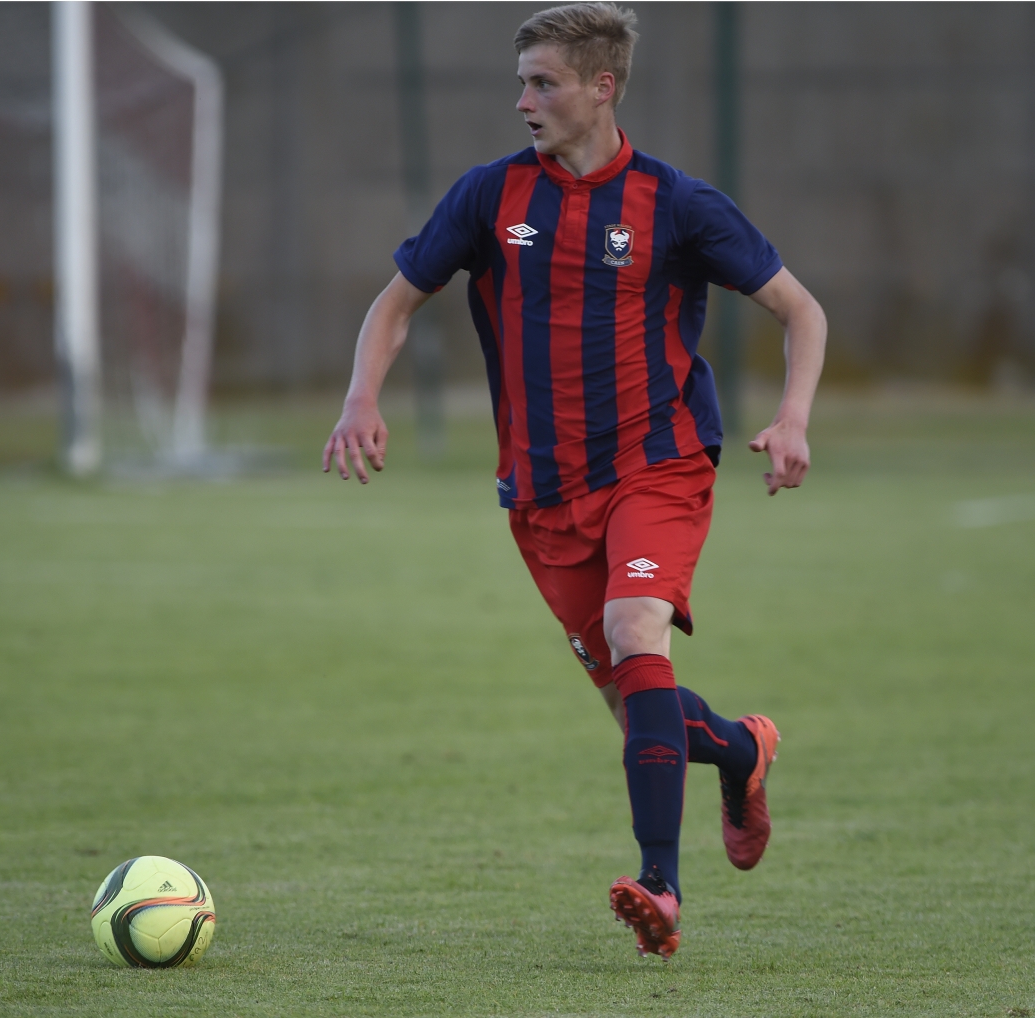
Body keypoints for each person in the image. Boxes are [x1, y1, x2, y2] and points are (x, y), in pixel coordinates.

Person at [323, 2, 825, 960]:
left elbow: (802, 311)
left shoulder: (675, 203)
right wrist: (361, 398)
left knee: (637, 633)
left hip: (657, 467)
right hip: (544, 495)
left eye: (543, 83)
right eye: (521, 83)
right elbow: (396, 304)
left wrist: (793, 416)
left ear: (603, 87)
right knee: (636, 704)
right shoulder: (490, 197)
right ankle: (739, 748)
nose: (524, 102)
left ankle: (661, 886)